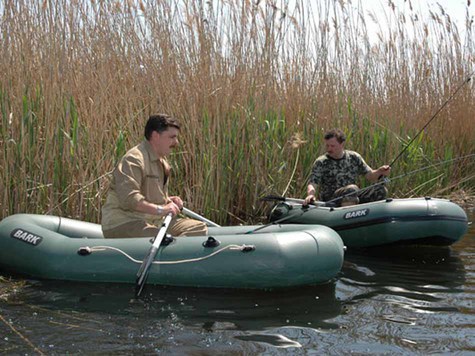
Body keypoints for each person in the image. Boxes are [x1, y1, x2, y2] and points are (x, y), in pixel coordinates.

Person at [101, 114, 208, 238]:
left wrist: (168, 200)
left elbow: (152, 198)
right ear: (156, 136)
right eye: (172, 137)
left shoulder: (162, 163)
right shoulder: (133, 160)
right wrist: (162, 210)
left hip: (152, 221)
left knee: (198, 228)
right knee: (161, 238)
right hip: (125, 222)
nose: (176, 143)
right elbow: (129, 200)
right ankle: (171, 250)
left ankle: (173, 252)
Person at [304, 129, 391, 207]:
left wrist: (380, 171)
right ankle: (348, 218)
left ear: (342, 144)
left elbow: (370, 176)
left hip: (353, 194)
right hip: (332, 199)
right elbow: (313, 183)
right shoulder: (321, 162)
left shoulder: (354, 157)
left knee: (380, 190)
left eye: (332, 146)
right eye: (327, 146)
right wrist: (310, 195)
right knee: (351, 189)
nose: (329, 149)